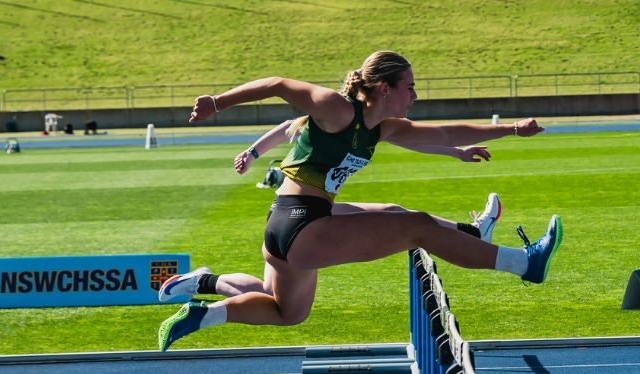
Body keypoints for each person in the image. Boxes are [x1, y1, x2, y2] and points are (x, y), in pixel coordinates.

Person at [157, 50, 563, 352]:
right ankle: (524, 263)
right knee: (416, 226)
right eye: (410, 87)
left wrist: (508, 129)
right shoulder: (337, 110)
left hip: (287, 224)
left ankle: (203, 303)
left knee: (287, 311)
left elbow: (439, 134)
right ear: (384, 88)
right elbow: (278, 84)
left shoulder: (380, 128)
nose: (416, 95)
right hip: (303, 224)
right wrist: (217, 102)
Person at [159, 119, 503, 300]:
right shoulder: (323, 122)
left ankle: (472, 232)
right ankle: (202, 281)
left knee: (393, 210)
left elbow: (415, 138)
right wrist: (252, 153)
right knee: (273, 299)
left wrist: (457, 152)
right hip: (296, 214)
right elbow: (285, 128)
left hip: (313, 210)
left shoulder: (362, 127)